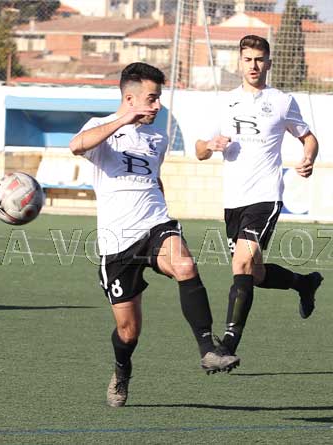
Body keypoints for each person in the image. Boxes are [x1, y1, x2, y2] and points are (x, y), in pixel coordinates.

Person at [69, 62, 239, 408]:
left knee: (185, 266)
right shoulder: (101, 128)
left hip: (156, 225)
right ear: (130, 98)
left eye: (158, 97)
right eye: (151, 98)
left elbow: (152, 179)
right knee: (128, 331)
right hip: (117, 242)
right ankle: (122, 370)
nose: (158, 105)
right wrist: (122, 121)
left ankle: (208, 349)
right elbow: (76, 146)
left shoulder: (157, 139)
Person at [195, 35, 324, 359]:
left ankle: (228, 344)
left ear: (268, 63)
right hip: (233, 200)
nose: (253, 65)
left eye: (259, 59)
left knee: (240, 263)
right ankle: (303, 283)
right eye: (248, 59)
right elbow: (199, 149)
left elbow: (308, 138)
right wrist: (209, 145)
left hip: (265, 196)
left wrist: (308, 158)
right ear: (240, 62)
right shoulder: (225, 102)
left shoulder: (281, 101)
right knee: (255, 274)